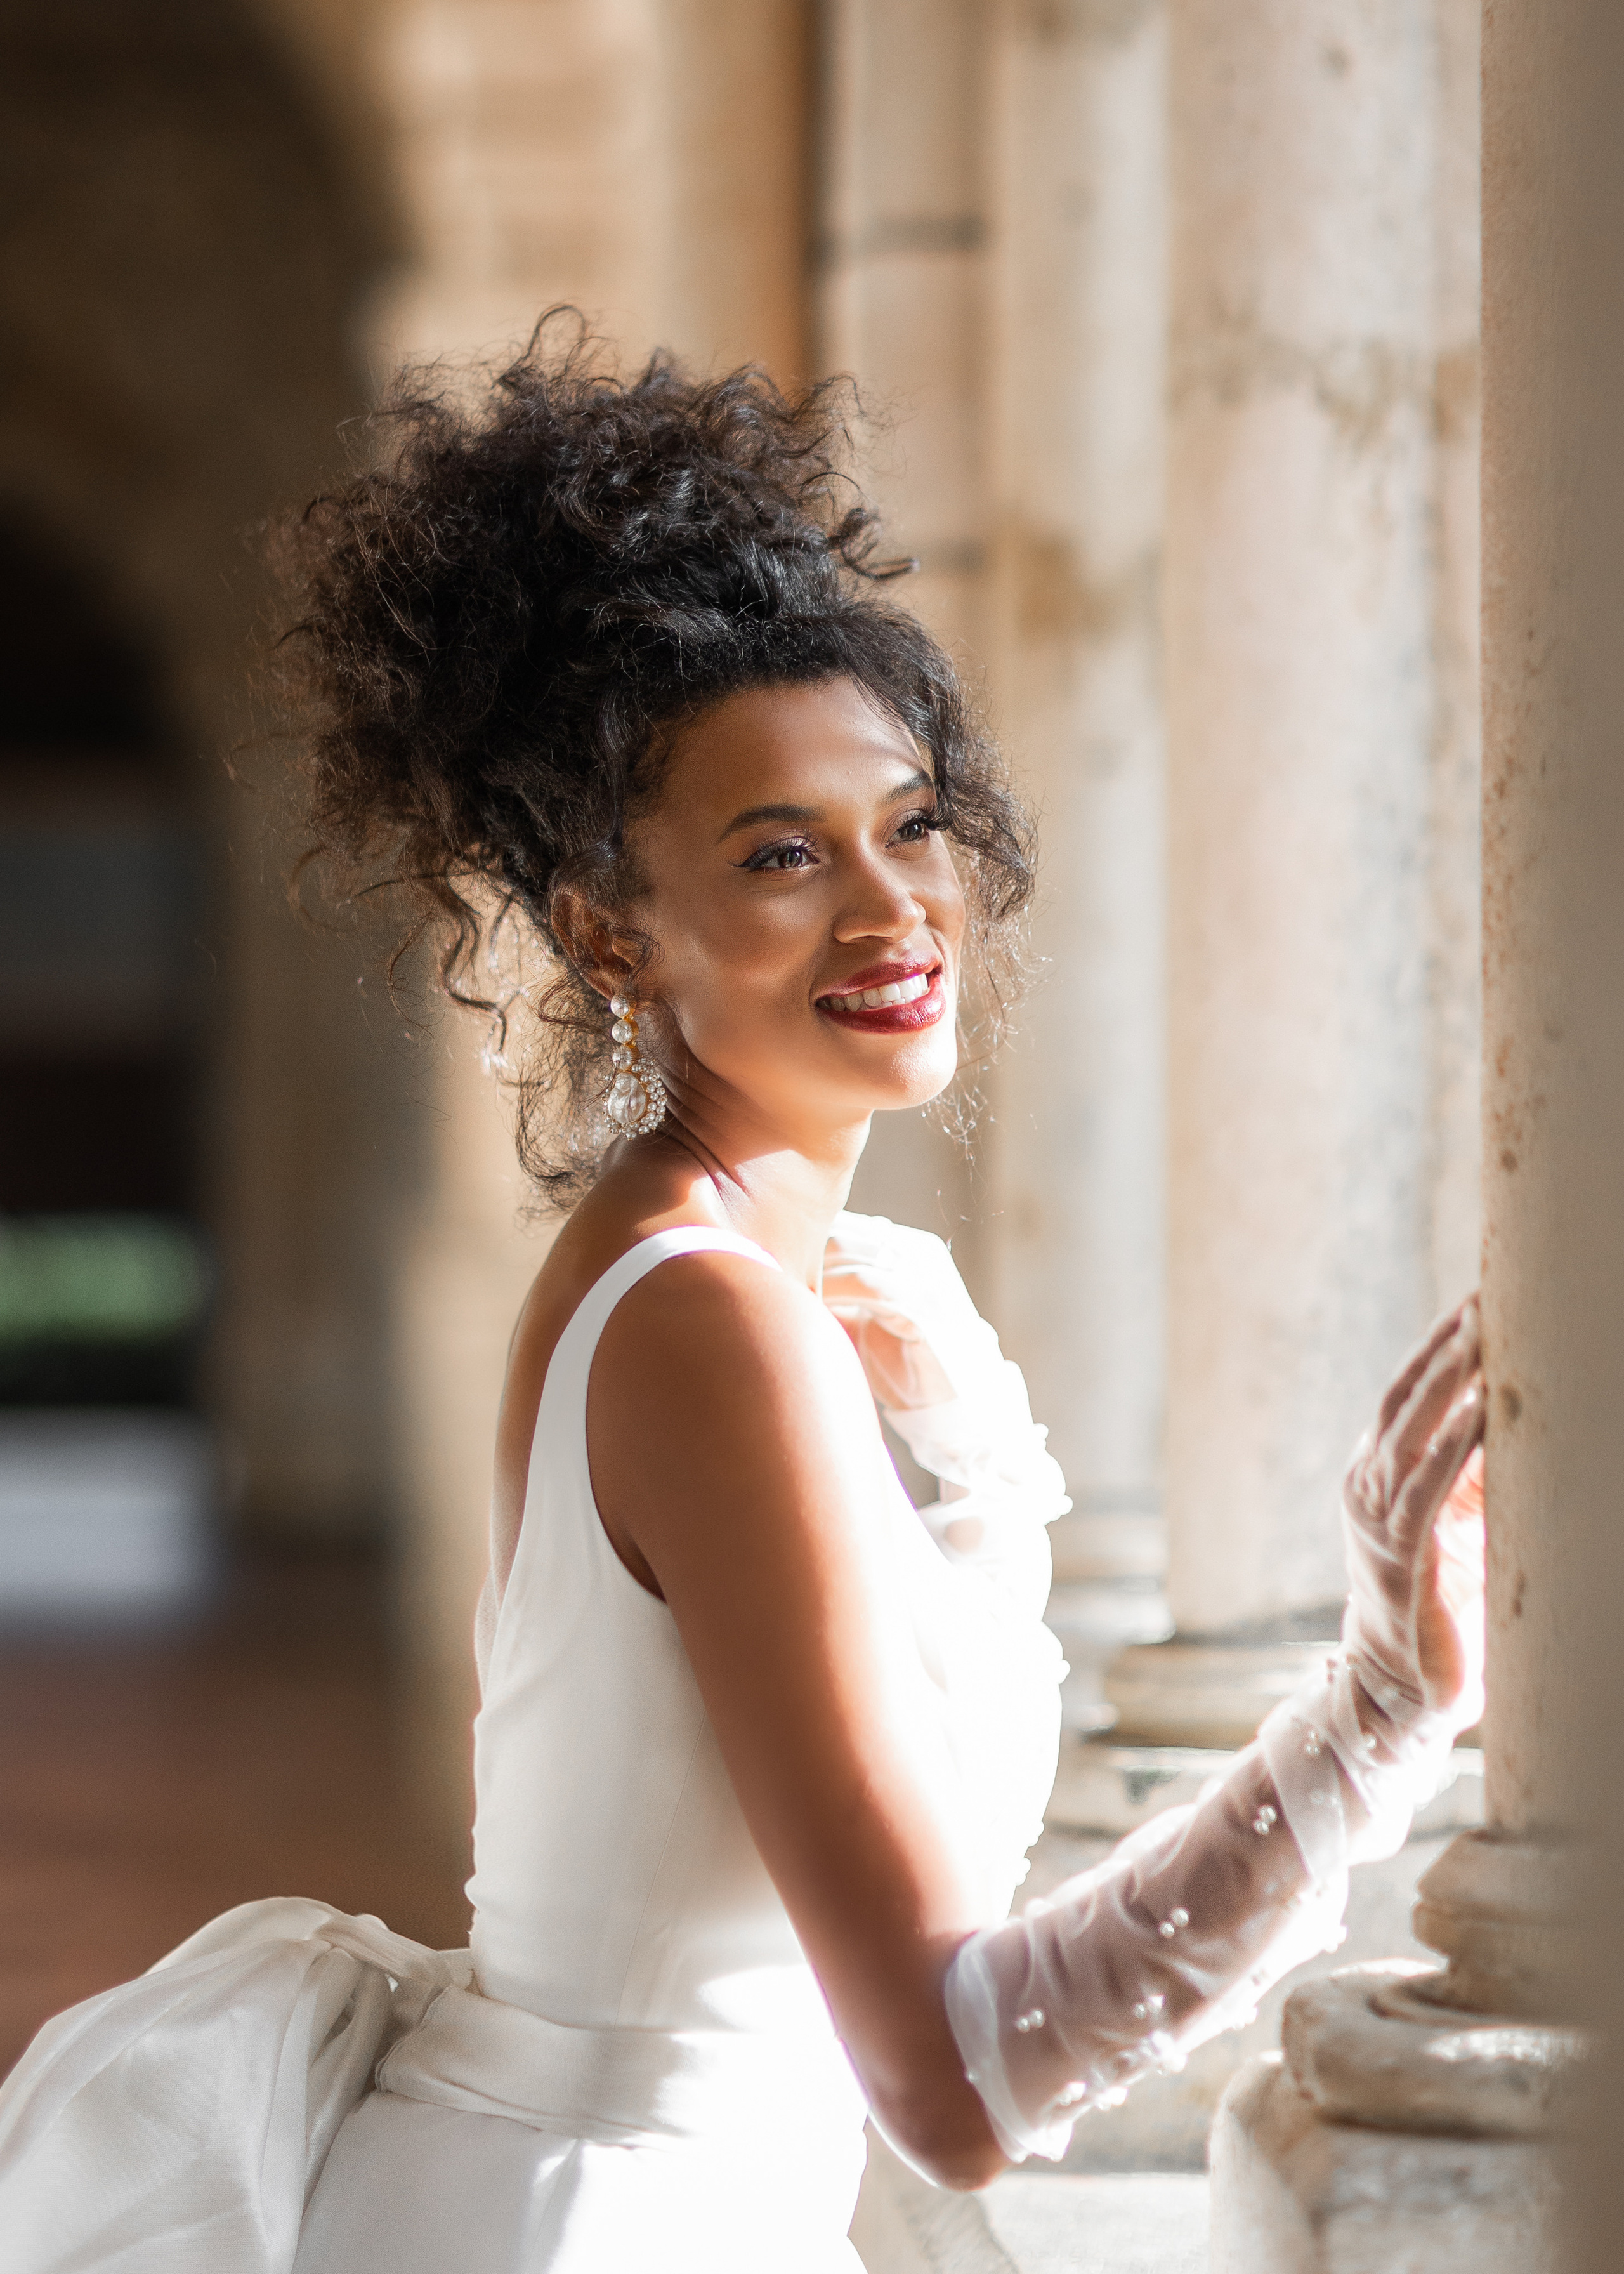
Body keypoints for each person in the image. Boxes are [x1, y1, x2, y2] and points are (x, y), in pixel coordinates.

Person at [0, 324, 1487, 2274]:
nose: (891, 911)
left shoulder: (733, 1279)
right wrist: (1384, 1709)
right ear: (617, 934)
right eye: (781, 855)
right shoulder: (708, 1326)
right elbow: (958, 2085)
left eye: (912, 825)